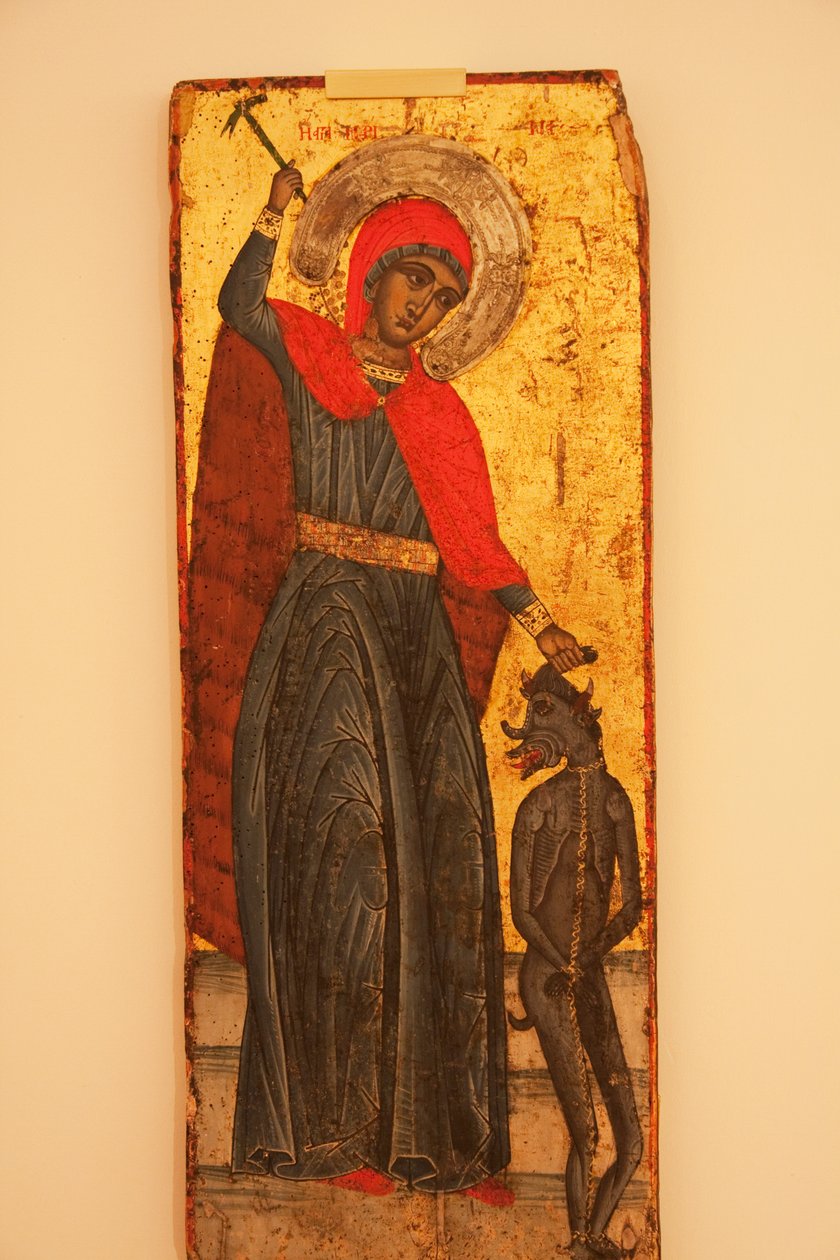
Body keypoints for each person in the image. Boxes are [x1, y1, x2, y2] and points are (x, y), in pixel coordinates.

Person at [188, 161, 585, 1197]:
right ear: (371, 272)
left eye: (446, 296)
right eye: (416, 279)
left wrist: (541, 626)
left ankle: (430, 1138)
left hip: (413, 644)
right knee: (342, 866)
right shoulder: (309, 354)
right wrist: (274, 211)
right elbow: (238, 305)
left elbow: (477, 543)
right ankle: (330, 1130)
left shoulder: (440, 414)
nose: (426, 306)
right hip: (325, 628)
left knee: (432, 867)